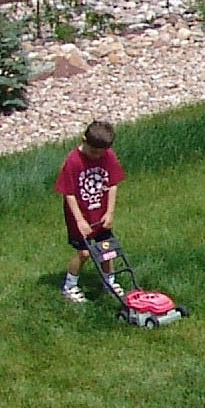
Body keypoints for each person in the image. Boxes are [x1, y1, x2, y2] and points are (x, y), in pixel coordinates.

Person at [56, 120, 126, 303]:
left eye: (100, 153)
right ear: (84, 139)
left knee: (107, 249)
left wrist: (109, 212)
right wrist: (79, 220)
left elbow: (112, 184)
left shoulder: (108, 156)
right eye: (93, 152)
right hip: (80, 215)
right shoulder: (73, 162)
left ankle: (109, 281)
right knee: (84, 253)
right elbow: (69, 193)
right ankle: (70, 286)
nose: (96, 156)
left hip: (100, 214)